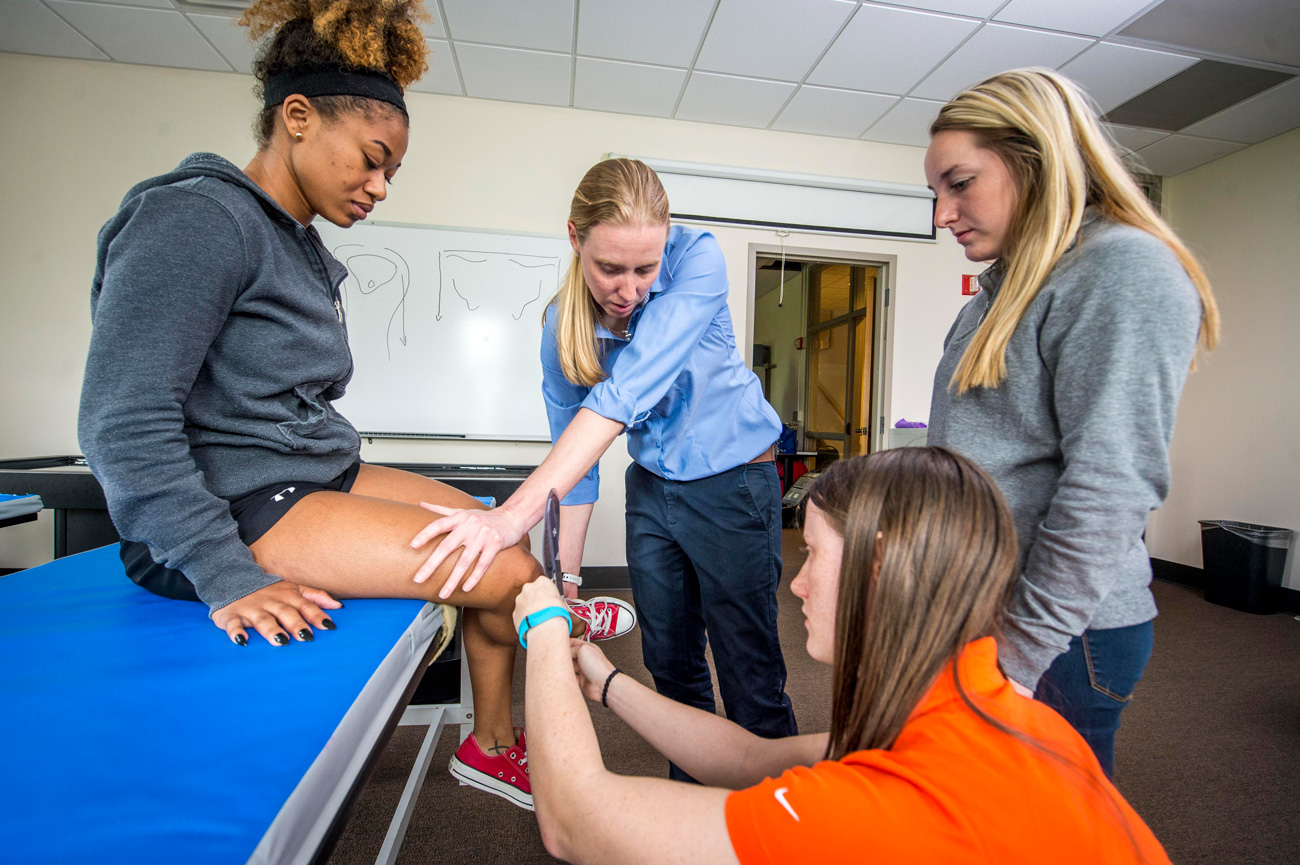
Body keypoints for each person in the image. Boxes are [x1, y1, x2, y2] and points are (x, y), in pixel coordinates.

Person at [76, 0, 625, 813]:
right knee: (507, 573)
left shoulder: (297, 245)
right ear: (296, 118)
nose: (379, 187)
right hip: (237, 507)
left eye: (391, 172)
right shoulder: (195, 217)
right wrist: (227, 575)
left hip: (314, 472)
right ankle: (544, 744)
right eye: (371, 161)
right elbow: (121, 420)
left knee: (494, 530)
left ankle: (489, 743)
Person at [510, 448, 1173, 864]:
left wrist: (542, 624)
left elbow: (574, 822)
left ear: (877, 565)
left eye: (815, 556)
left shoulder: (886, 806)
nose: (795, 583)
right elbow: (747, 758)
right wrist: (605, 680)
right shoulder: (979, 711)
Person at [411, 158, 797, 778]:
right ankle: (689, 811)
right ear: (574, 239)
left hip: (734, 483)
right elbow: (579, 467)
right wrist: (565, 582)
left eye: (645, 268)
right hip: (652, 490)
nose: (629, 288)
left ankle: (779, 825)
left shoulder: (699, 259)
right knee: (670, 666)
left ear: (666, 241)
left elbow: (624, 397)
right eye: (609, 268)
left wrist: (510, 518)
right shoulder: (562, 328)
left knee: (749, 668)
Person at [921, 68, 1220, 776]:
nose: (942, 214)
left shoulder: (1121, 271)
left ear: (1036, 159)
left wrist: (1017, 660)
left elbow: (1110, 488)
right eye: (934, 192)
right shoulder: (998, 295)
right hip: (987, 616)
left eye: (959, 183)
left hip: (1059, 637)